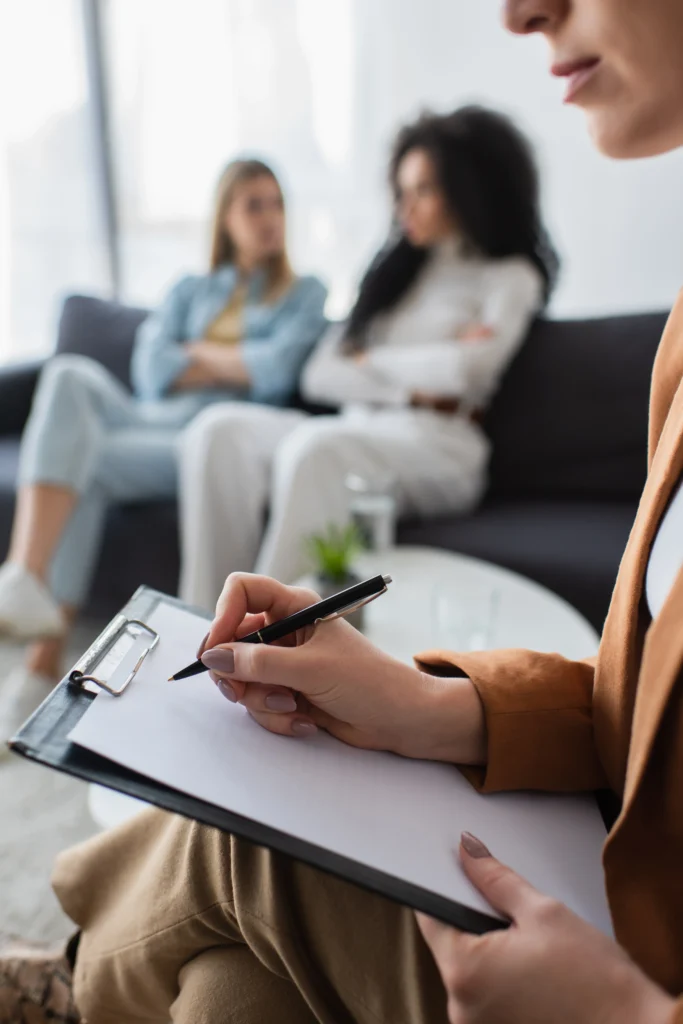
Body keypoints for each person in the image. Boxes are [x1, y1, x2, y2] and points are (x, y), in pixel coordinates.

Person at [2, 0, 683, 1022]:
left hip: (630, 969)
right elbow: (647, 712)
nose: (516, 12)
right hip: (615, 863)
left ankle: (72, 979)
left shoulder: (501, 276)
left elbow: (445, 374)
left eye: (426, 187)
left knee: (248, 839)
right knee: (226, 996)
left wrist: (627, 1014)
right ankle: (201, 644)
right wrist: (429, 705)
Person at [0, 158, 327, 746]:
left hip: (201, 439)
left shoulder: (304, 293)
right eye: (254, 205)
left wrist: (191, 354)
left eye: (277, 204)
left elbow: (276, 371)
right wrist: (231, 361)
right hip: (146, 417)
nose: (270, 218)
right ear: (226, 218)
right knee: (69, 374)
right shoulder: (189, 288)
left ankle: (42, 660)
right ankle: (24, 573)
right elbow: (150, 370)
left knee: (85, 467)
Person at [178, 106, 553, 608]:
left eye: (423, 190)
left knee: (317, 449)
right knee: (217, 430)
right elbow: (319, 375)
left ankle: (262, 638)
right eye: (401, 191)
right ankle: (202, 623)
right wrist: (421, 374)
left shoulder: (510, 277)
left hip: (440, 443)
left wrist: (370, 363)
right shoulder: (394, 277)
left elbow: (468, 370)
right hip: (357, 426)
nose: (405, 207)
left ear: (467, 190)